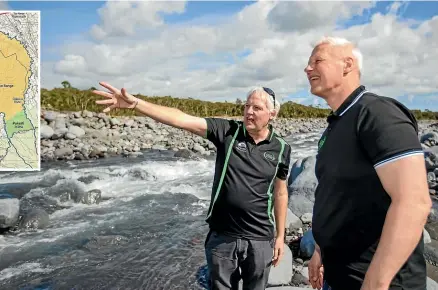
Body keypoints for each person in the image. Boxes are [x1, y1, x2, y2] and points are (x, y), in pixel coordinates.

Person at [93, 83, 292, 290]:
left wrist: (279, 237)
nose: (249, 112)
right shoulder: (228, 132)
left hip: (260, 239)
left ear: (272, 114)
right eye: (247, 106)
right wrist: (136, 104)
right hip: (223, 236)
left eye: (257, 108)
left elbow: (280, 192)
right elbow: (180, 119)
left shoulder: (281, 148)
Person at [304, 36, 432, 290]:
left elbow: (414, 201)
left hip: (380, 282)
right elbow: (334, 195)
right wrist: (319, 250)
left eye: (317, 60)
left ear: (347, 64)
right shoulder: (334, 126)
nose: (307, 68)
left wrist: (376, 281)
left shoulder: (377, 113)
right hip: (338, 275)